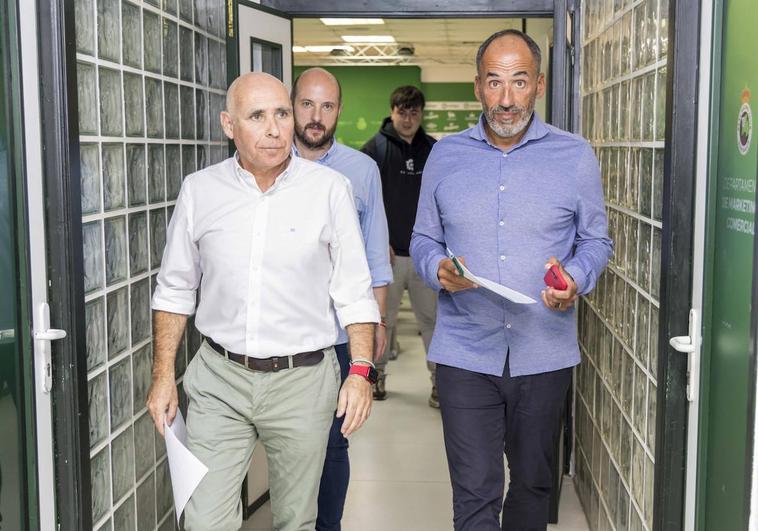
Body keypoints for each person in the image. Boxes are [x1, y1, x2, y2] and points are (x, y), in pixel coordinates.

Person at [146, 72, 380, 531]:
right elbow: (174, 289)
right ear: (229, 125)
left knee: (296, 519)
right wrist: (163, 376)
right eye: (257, 116)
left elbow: (355, 291)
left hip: (303, 381)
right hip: (219, 379)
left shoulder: (329, 190)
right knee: (204, 521)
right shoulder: (201, 190)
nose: (274, 129)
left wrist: (360, 372)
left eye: (282, 114)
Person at [410, 30, 613, 531]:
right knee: (475, 493)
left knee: (532, 486)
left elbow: (595, 242)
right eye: (495, 82)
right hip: (464, 353)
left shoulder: (574, 156)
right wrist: (436, 268)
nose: (506, 99)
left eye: (519, 82)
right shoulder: (446, 156)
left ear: (539, 85)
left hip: (543, 353)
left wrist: (578, 278)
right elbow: (421, 238)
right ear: (477, 87)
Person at [291, 67, 392, 531]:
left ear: (339, 112)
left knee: (334, 443)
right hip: (282, 337)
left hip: (339, 334)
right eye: (307, 104)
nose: (316, 116)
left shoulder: (362, 171)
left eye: (326, 106)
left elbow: (375, 256)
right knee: (288, 443)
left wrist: (377, 328)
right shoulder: (268, 164)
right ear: (292, 106)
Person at [361, 85, 439, 406]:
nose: (407, 119)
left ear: (421, 114)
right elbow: (363, 205)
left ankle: (439, 384)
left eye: (414, 112)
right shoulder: (374, 150)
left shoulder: (434, 150)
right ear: (392, 111)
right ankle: (375, 378)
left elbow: (442, 200)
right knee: (381, 321)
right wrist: (378, 242)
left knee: (432, 323)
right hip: (387, 256)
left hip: (424, 256)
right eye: (402, 112)